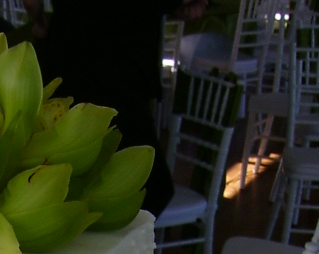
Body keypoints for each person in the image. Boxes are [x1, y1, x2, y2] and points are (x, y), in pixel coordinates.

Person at [22, 0, 208, 217]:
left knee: (63, 178)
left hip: (67, 58)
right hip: (120, 70)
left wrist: (40, 21)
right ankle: (106, 244)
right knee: (150, 187)